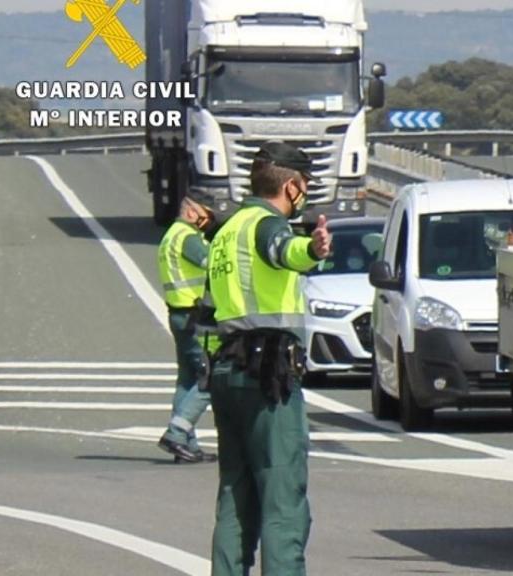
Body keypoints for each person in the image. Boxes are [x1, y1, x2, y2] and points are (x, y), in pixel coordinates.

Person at [206, 141, 331, 576]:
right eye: (306, 184)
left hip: (227, 370)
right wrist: (312, 250)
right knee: (283, 499)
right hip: (268, 374)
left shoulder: (226, 231)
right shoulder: (265, 224)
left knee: (236, 497)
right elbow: (284, 250)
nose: (307, 192)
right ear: (292, 185)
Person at [156, 196, 216, 463]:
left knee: (188, 379)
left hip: (178, 313)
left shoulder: (171, 235)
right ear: (191, 211)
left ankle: (186, 444)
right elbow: (212, 264)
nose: (209, 219)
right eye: (206, 213)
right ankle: (177, 434)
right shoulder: (187, 237)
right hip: (194, 315)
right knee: (209, 376)